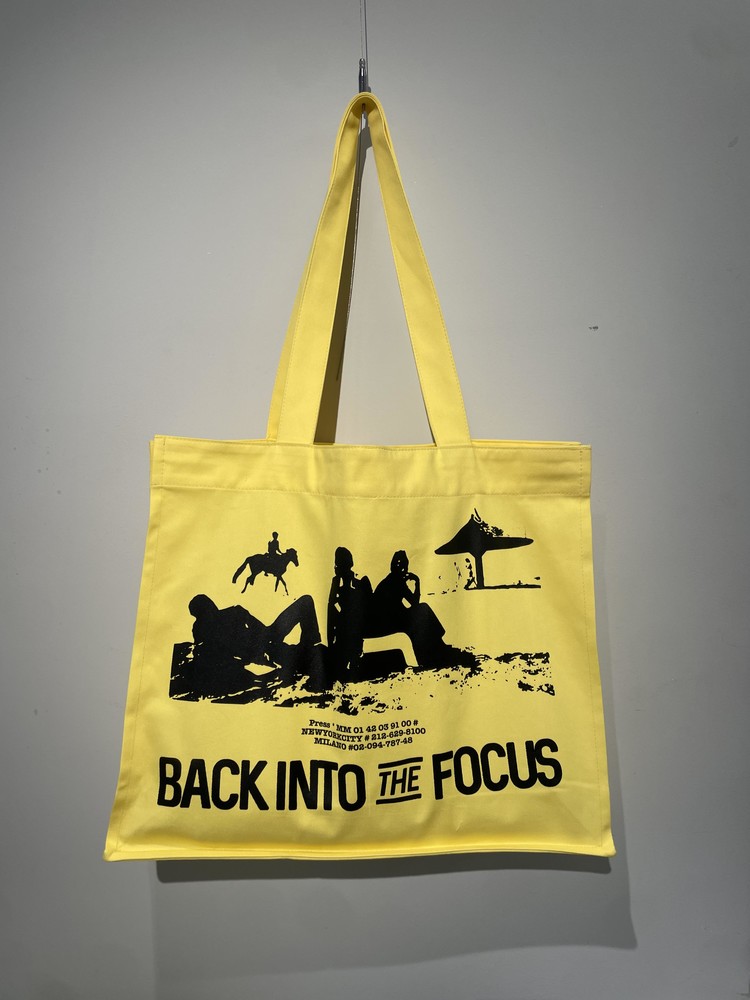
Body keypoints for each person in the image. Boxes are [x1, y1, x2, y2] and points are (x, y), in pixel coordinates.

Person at [188, 593, 322, 680]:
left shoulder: (231, 612)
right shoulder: (202, 627)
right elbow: (210, 653)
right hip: (262, 649)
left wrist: (266, 637)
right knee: (306, 601)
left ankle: (309, 646)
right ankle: (308, 648)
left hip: (265, 641)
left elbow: (255, 625)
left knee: (306, 601)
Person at [327, 547, 372, 678]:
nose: (336, 568)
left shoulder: (360, 581)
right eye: (337, 565)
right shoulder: (337, 583)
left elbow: (367, 606)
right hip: (344, 628)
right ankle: (341, 655)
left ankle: (352, 656)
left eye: (339, 565)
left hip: (358, 624)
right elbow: (331, 605)